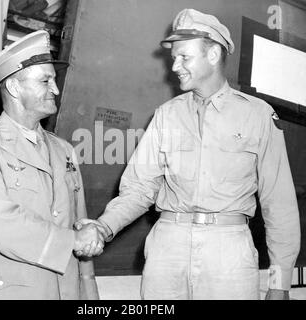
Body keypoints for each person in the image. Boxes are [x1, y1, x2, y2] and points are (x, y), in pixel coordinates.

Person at [75, 8, 301, 300]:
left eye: (185, 57)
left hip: (229, 252)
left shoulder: (257, 115)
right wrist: (104, 226)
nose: (175, 66)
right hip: (168, 247)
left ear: (213, 54)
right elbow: (139, 189)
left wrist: (278, 283)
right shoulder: (166, 115)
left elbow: (278, 205)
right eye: (174, 58)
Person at [0, 30, 104, 300]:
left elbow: (80, 228)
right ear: (14, 88)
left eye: (55, 80)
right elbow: (1, 222)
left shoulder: (64, 150)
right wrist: (74, 240)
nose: (55, 89)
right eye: (45, 80)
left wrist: (89, 294)